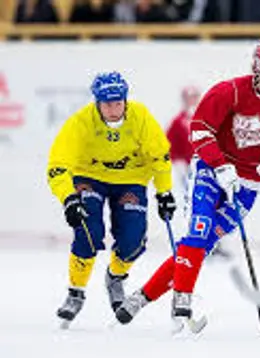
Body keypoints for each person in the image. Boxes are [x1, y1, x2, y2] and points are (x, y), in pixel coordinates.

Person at [114, 39, 260, 331]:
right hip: (213, 171)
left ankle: (142, 297)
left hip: (250, 186)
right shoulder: (229, 91)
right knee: (199, 229)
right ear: (258, 69)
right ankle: (182, 299)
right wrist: (220, 164)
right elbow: (200, 130)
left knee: (201, 246)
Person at [47, 71, 176, 328]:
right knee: (88, 230)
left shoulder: (140, 117)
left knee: (133, 239)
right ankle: (75, 291)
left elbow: (160, 157)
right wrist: (69, 198)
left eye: (119, 103)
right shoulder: (81, 122)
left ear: (126, 100)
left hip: (131, 179)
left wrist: (164, 192)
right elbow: (58, 164)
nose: (114, 110)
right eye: (107, 104)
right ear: (97, 102)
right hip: (89, 176)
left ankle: (115, 277)